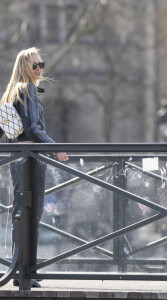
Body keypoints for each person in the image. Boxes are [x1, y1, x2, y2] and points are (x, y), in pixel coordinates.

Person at [0, 47, 69, 287]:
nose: (39, 69)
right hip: (31, 161)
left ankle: (19, 269)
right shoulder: (27, 89)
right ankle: (28, 271)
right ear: (24, 68)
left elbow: (6, 131)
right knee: (33, 214)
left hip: (17, 162)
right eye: (35, 65)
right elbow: (32, 127)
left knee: (20, 213)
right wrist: (54, 147)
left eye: (42, 65)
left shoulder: (10, 92)